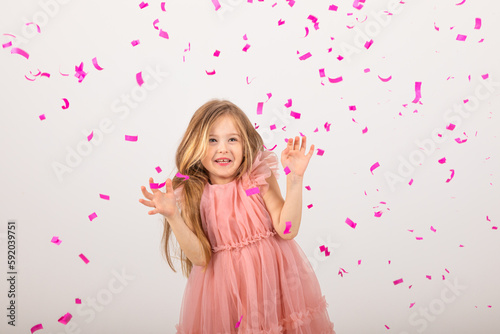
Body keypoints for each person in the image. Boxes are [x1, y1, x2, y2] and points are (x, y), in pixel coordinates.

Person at [139, 99, 335, 333]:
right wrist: (173, 216)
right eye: (212, 140)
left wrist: (294, 180)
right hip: (226, 295)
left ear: (246, 144)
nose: (223, 148)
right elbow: (200, 258)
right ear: (196, 145)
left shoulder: (257, 177)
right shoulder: (194, 192)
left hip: (274, 286)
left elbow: (288, 229)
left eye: (232, 139)